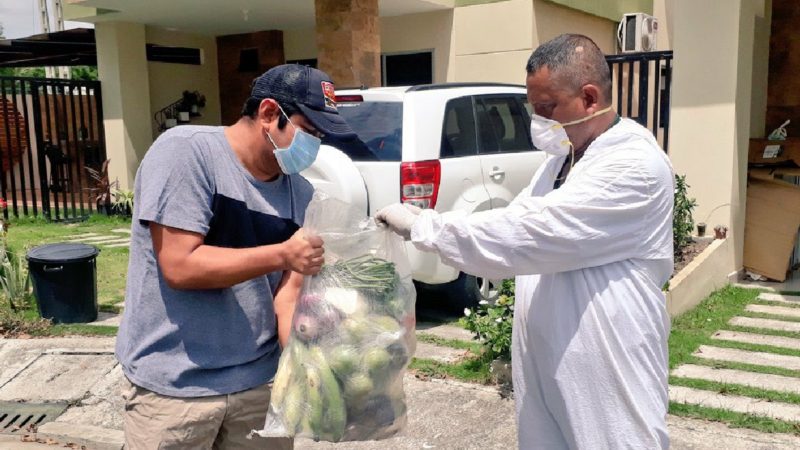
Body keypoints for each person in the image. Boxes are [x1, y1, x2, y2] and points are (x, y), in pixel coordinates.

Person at [377, 34, 674, 449]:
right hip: (549, 365)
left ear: (589, 98)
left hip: (608, 365)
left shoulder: (633, 165)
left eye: (547, 107)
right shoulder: (562, 160)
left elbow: (529, 232)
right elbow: (513, 219)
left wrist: (425, 228)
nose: (538, 119)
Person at [115, 64, 355, 449]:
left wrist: (309, 368)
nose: (314, 145)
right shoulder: (186, 153)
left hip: (258, 386)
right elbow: (180, 266)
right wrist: (282, 254)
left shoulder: (301, 194)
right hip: (175, 391)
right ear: (268, 113)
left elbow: (287, 297)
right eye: (308, 131)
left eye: (320, 137)